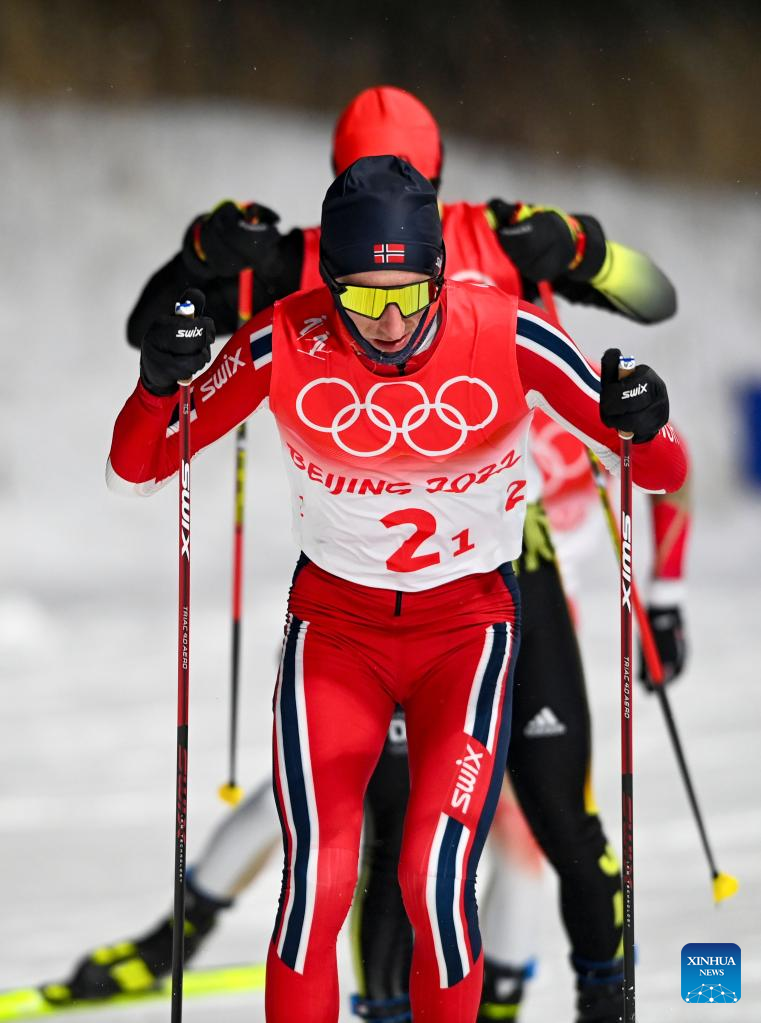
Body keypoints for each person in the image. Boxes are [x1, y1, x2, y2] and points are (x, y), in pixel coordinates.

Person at [59, 88, 691, 1023]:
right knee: (325, 869)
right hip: (340, 627)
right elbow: (143, 441)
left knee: (458, 860)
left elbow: (658, 429)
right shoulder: (293, 303)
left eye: (406, 295)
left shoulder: (504, 280)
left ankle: (583, 987)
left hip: (476, 607)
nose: (387, 323)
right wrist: (167, 356)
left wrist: (593, 268)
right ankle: (328, 977)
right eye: (361, 297)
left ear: (434, 229)